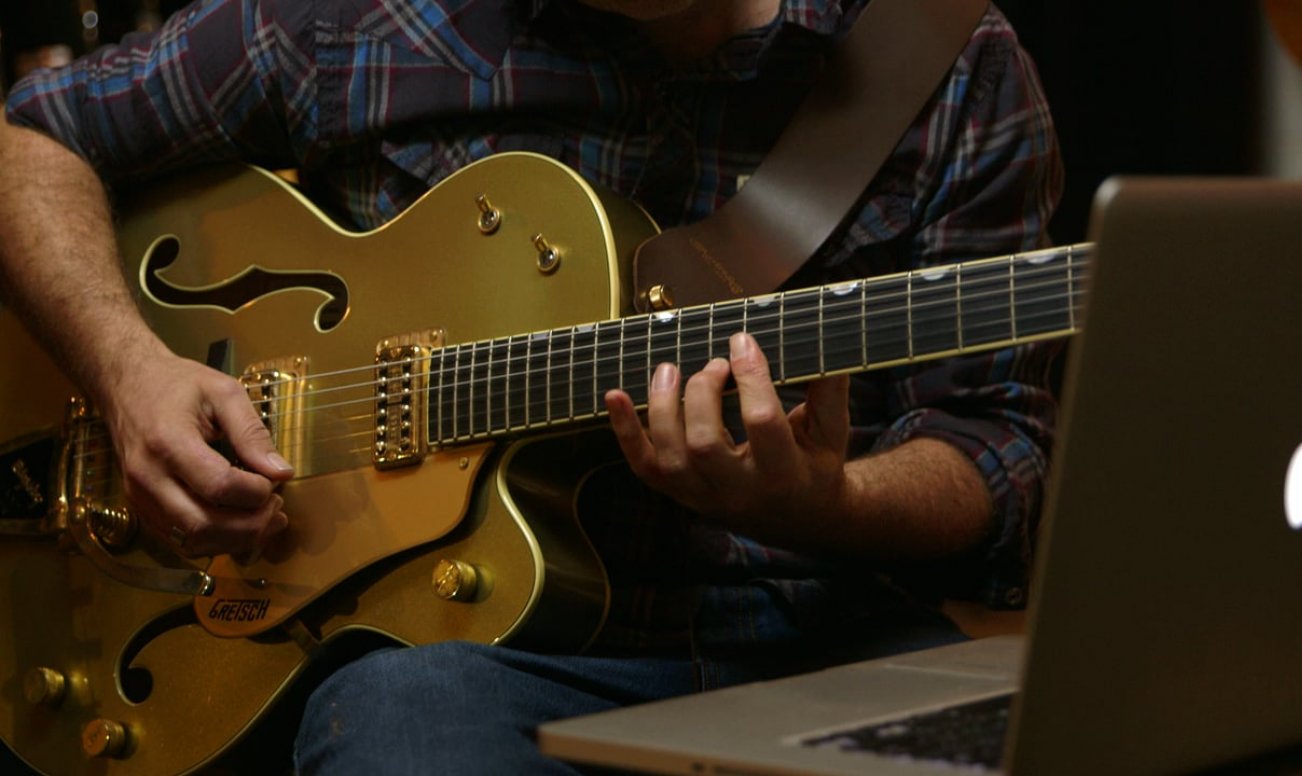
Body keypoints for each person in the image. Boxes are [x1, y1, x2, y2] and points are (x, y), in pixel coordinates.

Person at [0, 0, 1062, 771]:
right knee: (408, 735)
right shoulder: (361, 23)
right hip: (469, 655)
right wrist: (130, 369)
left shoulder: (946, 59)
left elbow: (994, 445)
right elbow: (29, 138)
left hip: (826, 634)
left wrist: (825, 501)